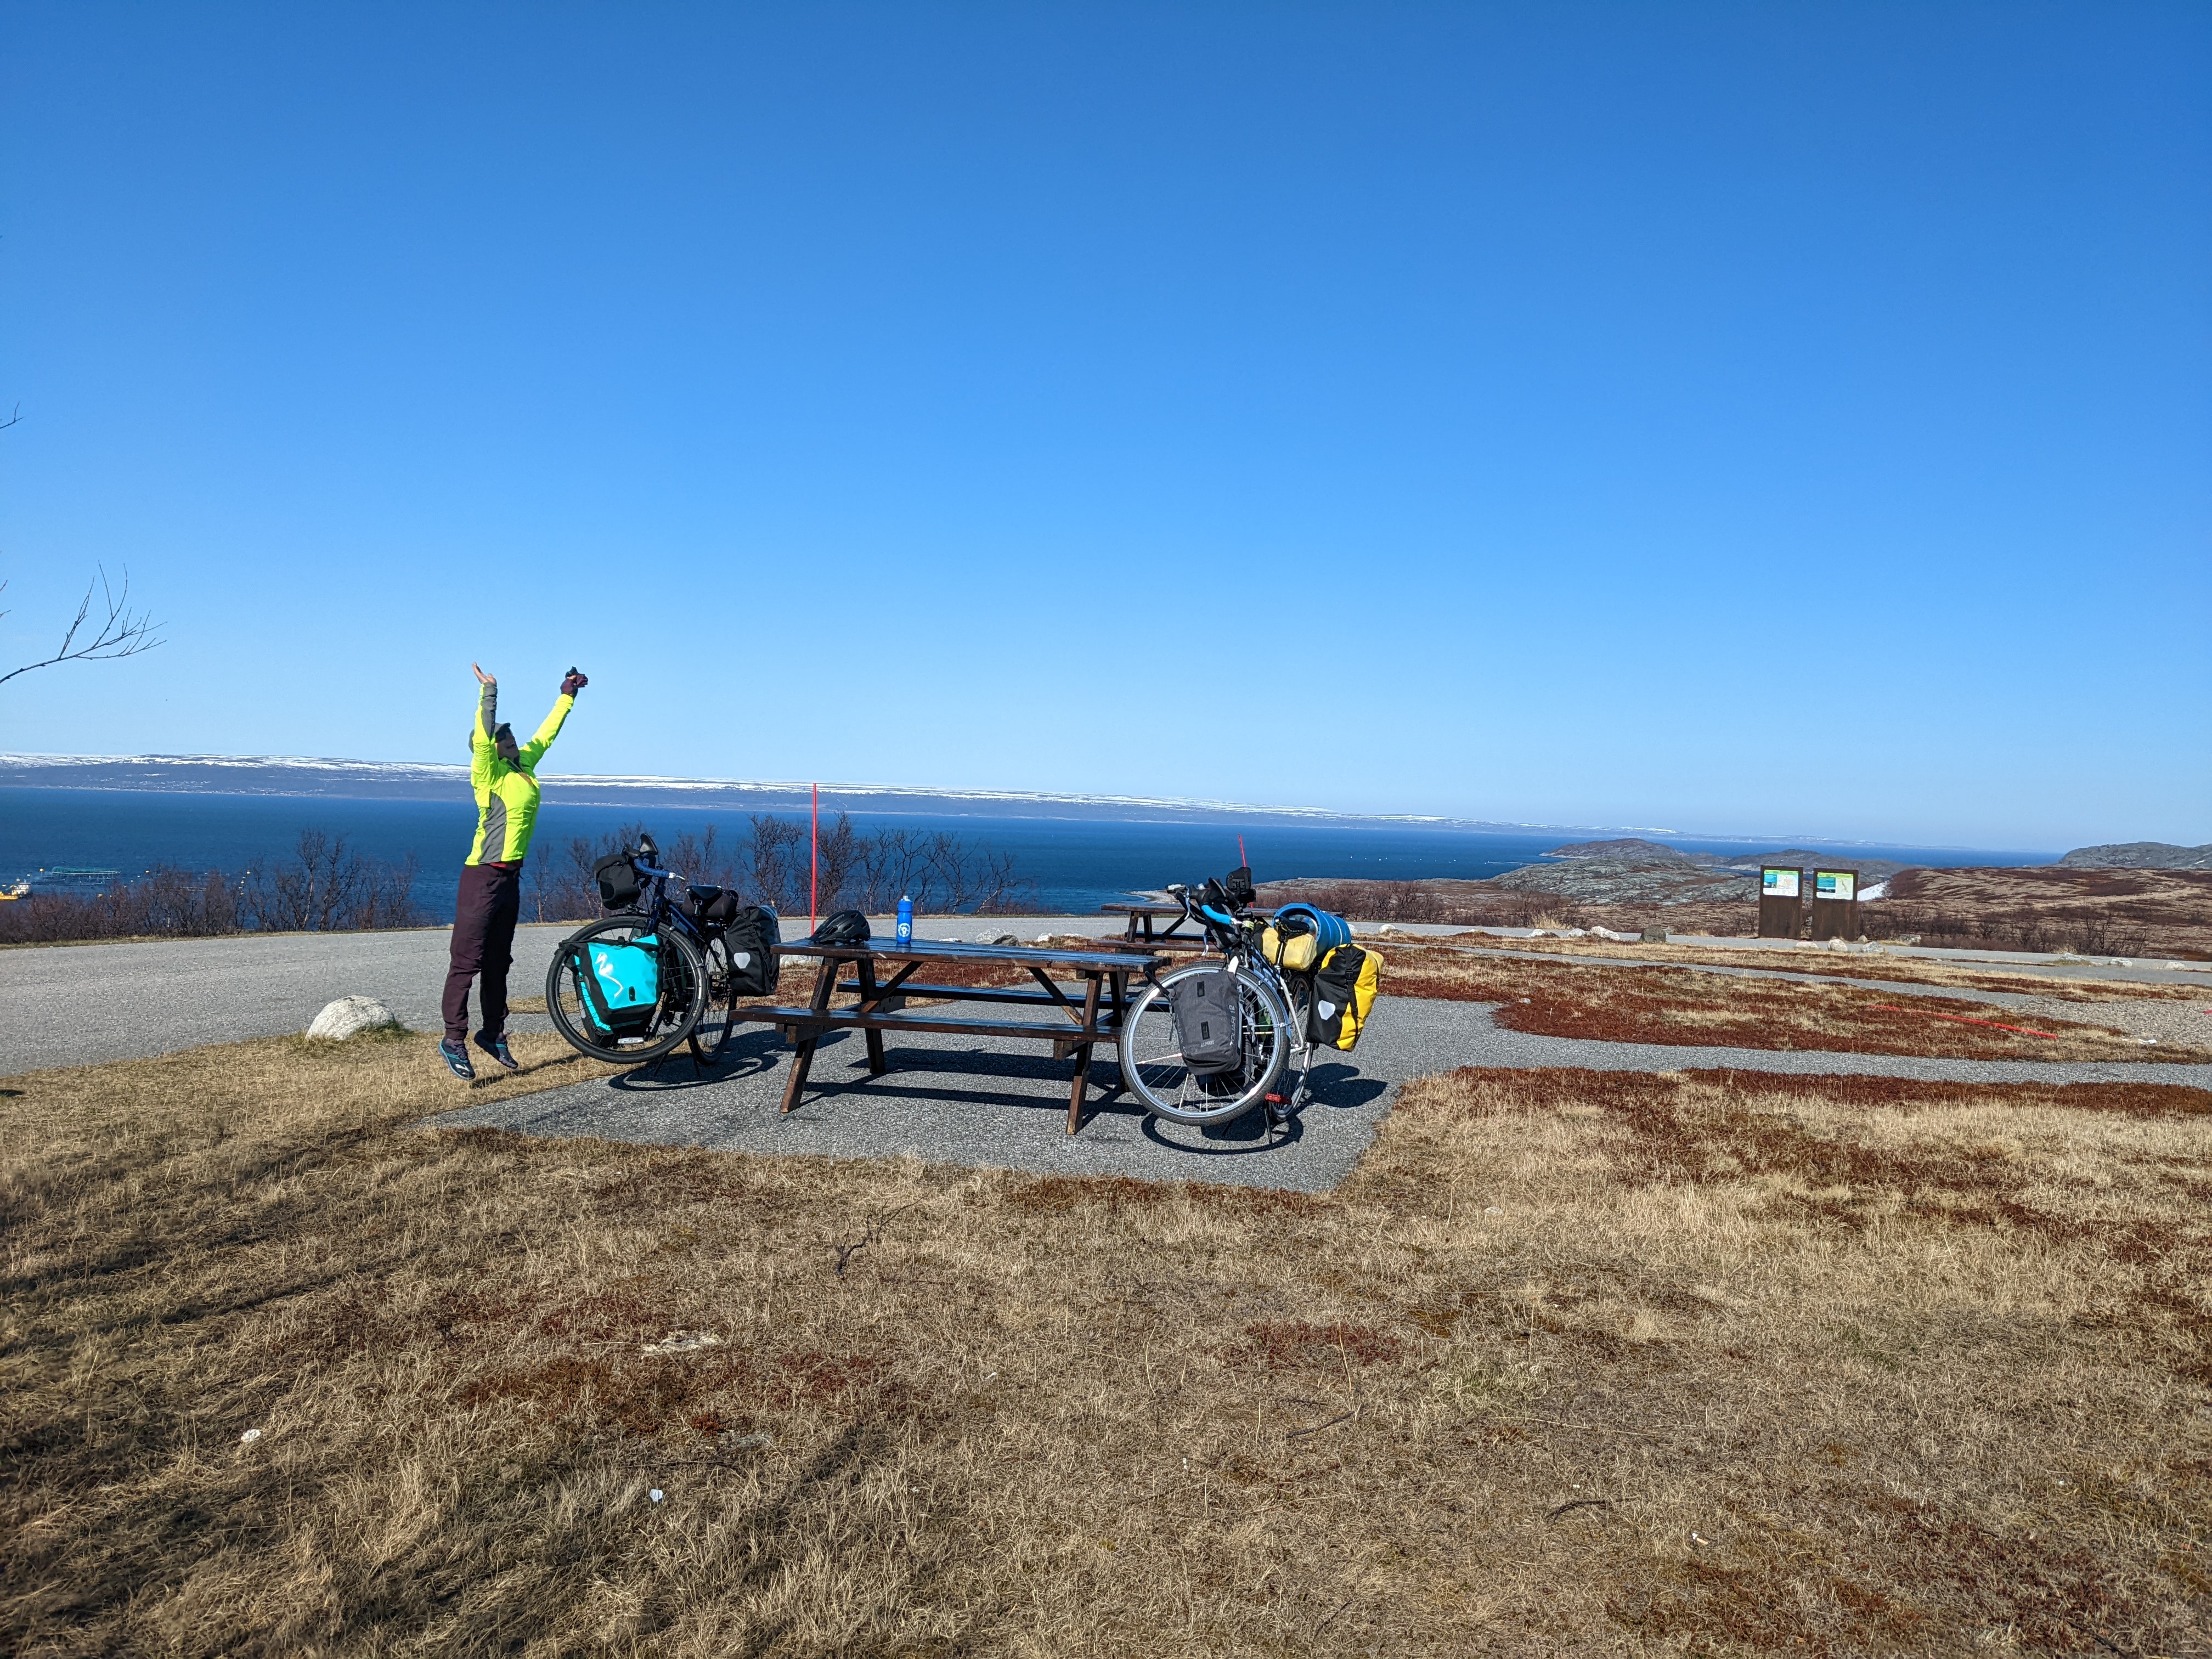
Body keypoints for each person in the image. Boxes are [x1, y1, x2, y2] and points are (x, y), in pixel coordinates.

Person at [440, 662, 586, 1079]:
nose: (510, 735)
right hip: (482, 876)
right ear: (493, 745)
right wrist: (490, 694)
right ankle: (454, 1039)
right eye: (503, 734)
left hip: (510, 878)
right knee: (466, 962)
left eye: (508, 732)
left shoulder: (524, 765)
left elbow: (548, 733)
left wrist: (567, 695)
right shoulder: (487, 774)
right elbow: (484, 736)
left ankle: (493, 1034)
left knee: (499, 962)